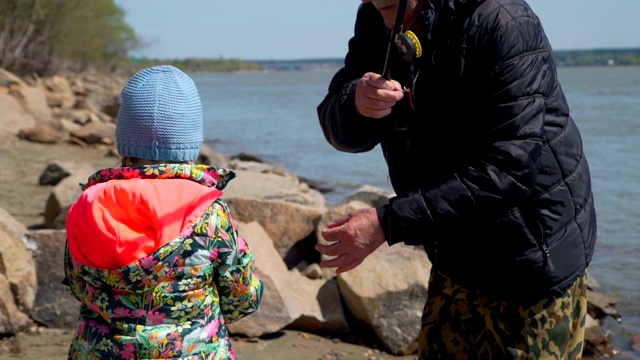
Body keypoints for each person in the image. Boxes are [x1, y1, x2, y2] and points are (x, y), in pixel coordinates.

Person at [315, 0, 597, 358]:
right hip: (454, 252)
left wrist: (388, 223)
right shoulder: (376, 16)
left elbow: (509, 170)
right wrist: (354, 102)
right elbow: (336, 126)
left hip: (531, 262)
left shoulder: (504, 21)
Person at [63, 65, 263, 360]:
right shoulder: (208, 211)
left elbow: (77, 283)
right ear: (190, 145)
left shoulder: (89, 204)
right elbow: (241, 296)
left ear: (125, 144)